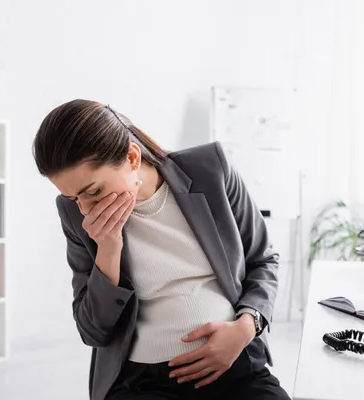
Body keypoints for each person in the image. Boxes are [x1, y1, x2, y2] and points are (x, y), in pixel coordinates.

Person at [32, 99, 290, 400]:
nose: (86, 209)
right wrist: (108, 249)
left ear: (131, 157)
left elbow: (263, 260)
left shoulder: (210, 170)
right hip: (143, 383)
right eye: (74, 198)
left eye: (94, 191)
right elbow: (93, 330)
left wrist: (247, 326)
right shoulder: (75, 217)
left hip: (234, 364)